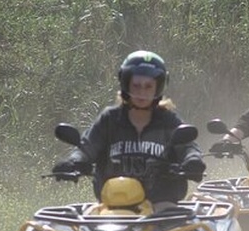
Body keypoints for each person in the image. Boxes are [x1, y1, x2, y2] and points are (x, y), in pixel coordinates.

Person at [52, 50, 206, 209]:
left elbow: (188, 147)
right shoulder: (109, 119)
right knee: (78, 228)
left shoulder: (168, 121)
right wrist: (74, 162)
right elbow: (87, 148)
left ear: (157, 88)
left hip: (160, 207)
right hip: (112, 207)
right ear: (126, 84)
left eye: (148, 86)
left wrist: (192, 161)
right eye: (136, 85)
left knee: (174, 222)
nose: (142, 92)